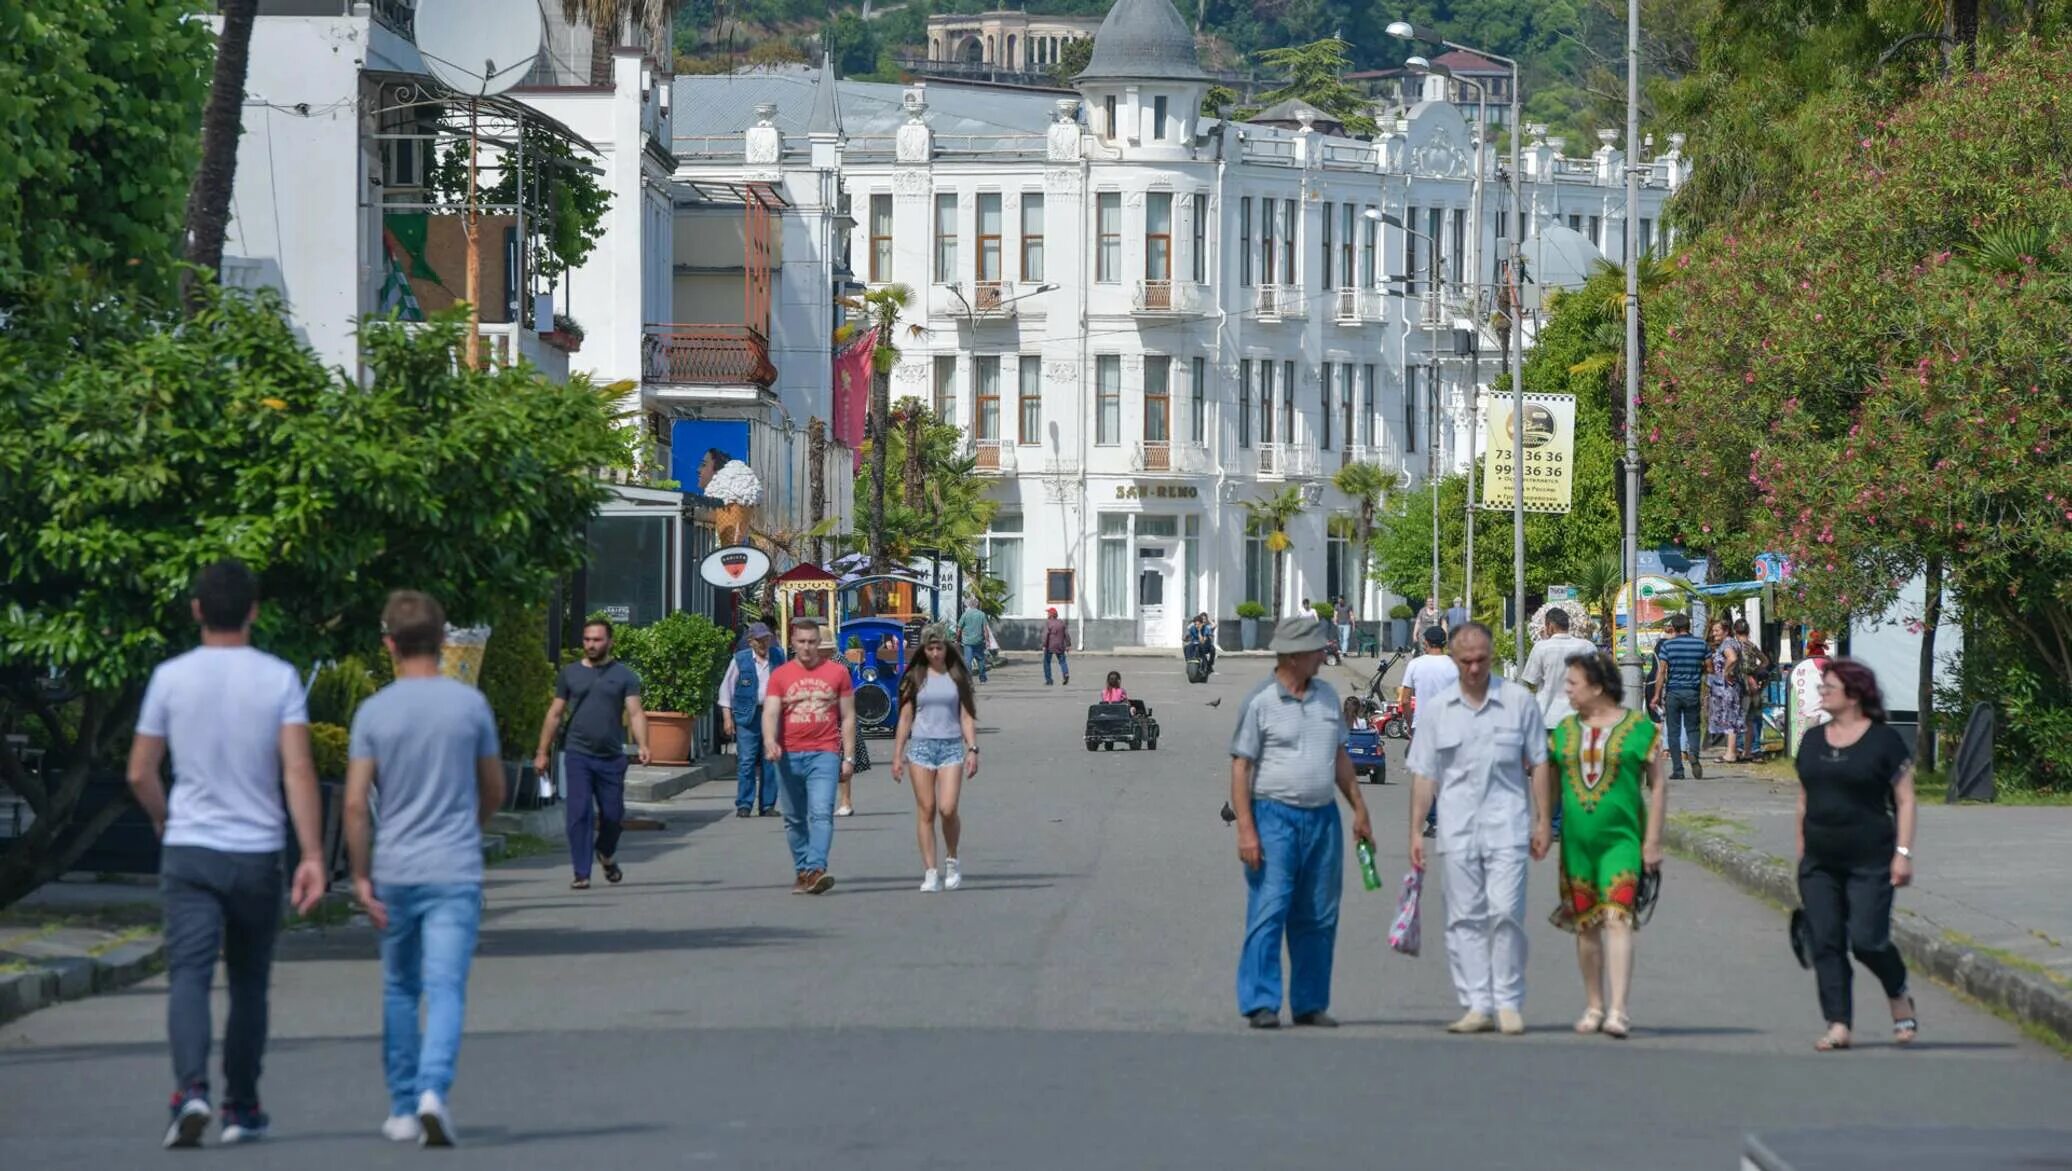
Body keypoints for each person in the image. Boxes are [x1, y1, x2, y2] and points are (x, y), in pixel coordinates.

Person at [125, 560, 327, 1148]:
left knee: (187, 975)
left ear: (196, 610)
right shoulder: (279, 678)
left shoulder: (169, 677)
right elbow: (297, 769)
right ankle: (242, 1105)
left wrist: (166, 818)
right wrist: (312, 852)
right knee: (248, 983)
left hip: (190, 847)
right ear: (254, 610)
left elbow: (139, 770)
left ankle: (189, 1090)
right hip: (256, 851)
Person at [343, 591, 505, 1146]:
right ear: (442, 642)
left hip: (395, 867)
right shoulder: (469, 707)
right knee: (447, 985)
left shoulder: (374, 711)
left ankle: (403, 1104)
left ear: (388, 644)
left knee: (400, 987)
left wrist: (360, 875)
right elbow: (495, 788)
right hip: (455, 864)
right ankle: (436, 1089)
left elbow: (355, 802)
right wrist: (472, 827)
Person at [1229, 616, 1376, 1028]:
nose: (1322, 656)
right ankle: (1260, 1001)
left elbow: (1340, 757)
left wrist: (1359, 809)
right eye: (1315, 650)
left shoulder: (1328, 698)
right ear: (1293, 657)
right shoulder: (1261, 702)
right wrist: (1246, 830)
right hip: (1274, 816)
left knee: (1318, 911)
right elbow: (1241, 767)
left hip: (1322, 818)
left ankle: (1310, 1002)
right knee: (1270, 907)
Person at [1406, 623, 1551, 1036]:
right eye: (1465, 661)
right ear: (1453, 660)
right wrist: (1416, 831)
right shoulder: (1438, 710)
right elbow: (1423, 774)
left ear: (1491, 657)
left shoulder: (1518, 701)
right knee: (1464, 918)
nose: (1473, 668)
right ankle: (1476, 1004)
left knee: (1506, 912)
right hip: (1456, 829)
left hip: (1508, 825)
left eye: (1481, 660)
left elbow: (1539, 762)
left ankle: (1507, 1001)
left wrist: (1543, 820)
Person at [1538, 652, 1667, 1040]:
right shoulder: (1563, 731)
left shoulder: (1641, 729)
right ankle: (1594, 1004)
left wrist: (1654, 840)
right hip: (1577, 845)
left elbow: (1658, 785)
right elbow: (1547, 775)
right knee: (1586, 925)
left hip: (1623, 842)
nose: (1567, 690)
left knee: (1618, 918)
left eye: (1573, 683)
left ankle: (1618, 1010)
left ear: (1597, 686)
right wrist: (1543, 821)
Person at [1796, 659, 1919, 1051]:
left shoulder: (1884, 741)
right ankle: (1838, 1023)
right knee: (1826, 941)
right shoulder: (1813, 740)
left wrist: (1903, 853)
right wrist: (1801, 851)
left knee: (1868, 940)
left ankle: (1897, 990)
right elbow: (1804, 797)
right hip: (1819, 861)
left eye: (1828, 687)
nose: (1822, 692)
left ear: (1854, 693)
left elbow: (1906, 798)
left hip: (1871, 858)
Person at [533, 619, 651, 890]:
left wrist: (644, 744)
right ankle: (581, 872)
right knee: (579, 812)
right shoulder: (570, 674)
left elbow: (635, 712)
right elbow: (554, 713)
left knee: (613, 816)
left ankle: (605, 853)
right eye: (587, 639)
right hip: (577, 754)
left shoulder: (624, 675)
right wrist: (542, 752)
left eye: (597, 640)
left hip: (611, 756)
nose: (591, 645)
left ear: (610, 642)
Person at [763, 617, 858, 894]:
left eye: (812, 642)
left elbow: (849, 716)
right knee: (793, 818)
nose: (806, 648)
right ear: (792, 643)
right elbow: (770, 712)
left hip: (824, 752)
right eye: (801, 642)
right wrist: (770, 741)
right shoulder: (780, 675)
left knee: (821, 813)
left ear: (820, 644)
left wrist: (848, 757)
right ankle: (803, 871)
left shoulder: (837, 673)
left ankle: (816, 867)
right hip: (788, 754)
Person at [891, 624, 981, 892]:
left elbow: (966, 716)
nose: (934, 653)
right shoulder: (915, 678)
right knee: (927, 809)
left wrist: (972, 749)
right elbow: (905, 718)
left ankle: (952, 860)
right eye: (929, 648)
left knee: (947, 808)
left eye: (939, 647)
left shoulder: (957, 677)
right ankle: (931, 871)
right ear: (923, 649)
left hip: (951, 747)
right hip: (920, 748)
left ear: (946, 647)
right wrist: (897, 756)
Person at [717, 622, 787, 818]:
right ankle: (744, 804)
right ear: (751, 642)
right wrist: (727, 717)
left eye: (766, 639)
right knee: (746, 761)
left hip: (772, 714)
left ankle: (768, 805)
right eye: (760, 640)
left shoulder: (779, 656)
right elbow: (726, 689)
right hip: (748, 714)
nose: (764, 643)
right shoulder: (740, 660)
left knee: (771, 759)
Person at [1650, 614, 1709, 780]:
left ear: (1674, 628)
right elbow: (1710, 668)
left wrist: (1655, 695)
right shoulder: (1701, 644)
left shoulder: (1667, 646)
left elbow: (1661, 672)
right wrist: (1698, 670)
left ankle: (1678, 770)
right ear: (1689, 626)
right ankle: (1694, 754)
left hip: (1673, 693)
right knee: (1693, 728)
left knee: (1673, 732)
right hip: (1693, 691)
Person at [1517, 608, 1597, 730]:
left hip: (1548, 719)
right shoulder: (1587, 647)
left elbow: (1531, 681)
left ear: (1550, 626)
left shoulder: (1541, 648)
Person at [1706, 618, 1745, 765]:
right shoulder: (1732, 642)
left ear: (1726, 631)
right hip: (1730, 687)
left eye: (1717, 630)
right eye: (1713, 630)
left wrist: (1726, 673)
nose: (1714, 633)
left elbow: (1732, 658)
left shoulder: (1727, 643)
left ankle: (1730, 753)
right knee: (1731, 718)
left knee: (1730, 719)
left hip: (1727, 688)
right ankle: (1731, 751)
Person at [1788, 631, 1833, 747]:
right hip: (1824, 705)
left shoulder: (1803, 665)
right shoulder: (1826, 663)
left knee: (1813, 722)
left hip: (1808, 704)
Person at [1735, 619, 1768, 760]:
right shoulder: (1752, 646)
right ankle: (1754, 747)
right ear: (1748, 631)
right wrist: (1756, 671)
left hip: (1739, 683)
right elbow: (1766, 661)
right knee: (1754, 716)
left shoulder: (1734, 646)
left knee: (1740, 716)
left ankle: (1740, 746)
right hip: (1753, 683)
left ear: (1735, 631)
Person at [956, 597, 991, 684]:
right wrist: (987, 641)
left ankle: (968, 679)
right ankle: (982, 679)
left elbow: (959, 629)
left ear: (969, 605)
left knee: (968, 661)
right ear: (977, 605)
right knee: (981, 659)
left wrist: (957, 639)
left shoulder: (965, 615)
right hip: (979, 641)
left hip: (968, 642)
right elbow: (985, 630)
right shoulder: (982, 614)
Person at [1041, 607, 1072, 686]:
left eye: (1048, 613)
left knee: (1047, 662)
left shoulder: (1048, 623)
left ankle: (1049, 680)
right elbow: (1066, 635)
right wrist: (1068, 645)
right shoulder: (1061, 623)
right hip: (1060, 646)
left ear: (1051, 615)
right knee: (1062, 661)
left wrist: (1044, 645)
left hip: (1050, 646)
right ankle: (1066, 673)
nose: (1047, 614)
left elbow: (1045, 635)